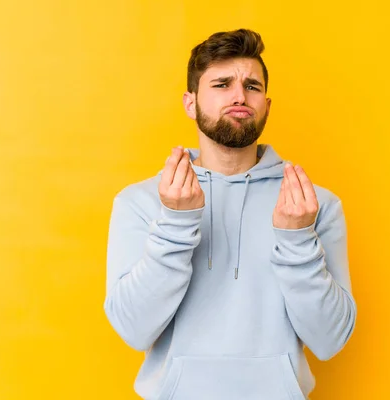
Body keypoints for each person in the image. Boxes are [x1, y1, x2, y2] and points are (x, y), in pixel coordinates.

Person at [104, 28, 357, 400]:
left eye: (252, 86)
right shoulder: (141, 201)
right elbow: (133, 329)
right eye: (222, 84)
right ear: (190, 103)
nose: (240, 96)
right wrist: (175, 224)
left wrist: (298, 239)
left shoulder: (311, 205)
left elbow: (330, 340)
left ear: (266, 106)